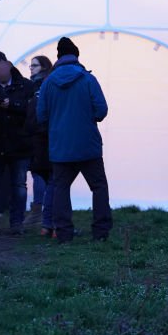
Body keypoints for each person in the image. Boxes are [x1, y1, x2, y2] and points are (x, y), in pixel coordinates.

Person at [37, 37, 111, 243]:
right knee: (98, 187)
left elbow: (41, 115)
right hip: (88, 145)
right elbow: (101, 110)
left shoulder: (48, 82)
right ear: (77, 56)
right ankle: (101, 232)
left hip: (60, 147)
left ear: (58, 57)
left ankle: (63, 233)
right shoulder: (87, 79)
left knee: (61, 188)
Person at [0, 51, 35, 236]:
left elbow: (31, 109)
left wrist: (12, 105)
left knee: (18, 185)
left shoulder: (26, 85)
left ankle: (16, 223)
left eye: (1, 69)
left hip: (19, 144)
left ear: (9, 65)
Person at [24, 55, 54, 233]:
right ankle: (42, 213)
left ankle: (40, 211)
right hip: (37, 134)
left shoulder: (43, 84)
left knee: (41, 173)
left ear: (43, 67)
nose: (31, 68)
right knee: (41, 174)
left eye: (34, 65)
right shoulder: (35, 84)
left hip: (41, 135)